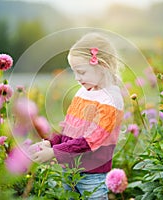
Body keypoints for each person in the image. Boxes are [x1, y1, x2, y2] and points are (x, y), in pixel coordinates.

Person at [30, 32, 124, 199]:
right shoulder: (83, 92)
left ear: (102, 66)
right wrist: (48, 142)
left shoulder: (111, 99)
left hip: (92, 177)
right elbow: (69, 130)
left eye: (81, 72)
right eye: (74, 72)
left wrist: (53, 152)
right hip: (70, 172)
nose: (77, 78)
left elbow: (90, 141)